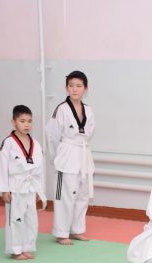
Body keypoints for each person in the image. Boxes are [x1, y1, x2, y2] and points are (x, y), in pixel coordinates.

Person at [46, 71, 96, 245]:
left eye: (79, 86)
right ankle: (61, 232)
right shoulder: (62, 109)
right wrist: (56, 158)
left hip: (82, 153)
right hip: (66, 154)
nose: (74, 89)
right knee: (65, 195)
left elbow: (88, 133)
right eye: (71, 85)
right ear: (66, 88)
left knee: (82, 194)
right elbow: (52, 135)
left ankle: (77, 229)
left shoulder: (88, 110)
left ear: (85, 89)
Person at [0, 105, 46, 260]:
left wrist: (39, 190)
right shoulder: (8, 143)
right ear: (14, 122)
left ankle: (27, 246)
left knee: (31, 219)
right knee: (15, 219)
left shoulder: (35, 144)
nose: (26, 124)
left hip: (30, 186)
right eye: (22, 121)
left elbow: (40, 169)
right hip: (15, 186)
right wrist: (4, 189)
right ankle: (15, 249)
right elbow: (2, 167)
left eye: (29, 121)